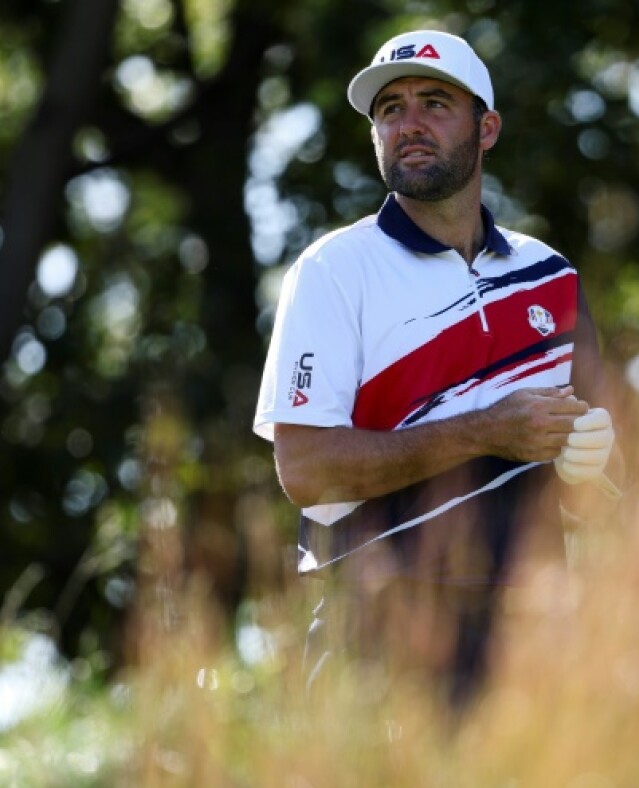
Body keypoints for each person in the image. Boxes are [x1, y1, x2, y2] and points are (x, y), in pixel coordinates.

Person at [253, 30, 616, 710]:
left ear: (487, 128)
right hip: (375, 630)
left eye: (433, 102)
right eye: (390, 109)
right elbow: (304, 470)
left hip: (529, 634)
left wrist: (597, 464)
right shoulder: (333, 270)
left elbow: (608, 474)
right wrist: (483, 431)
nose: (408, 123)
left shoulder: (551, 275)